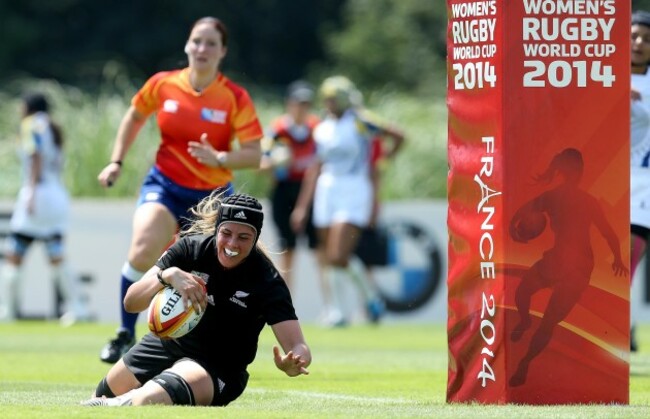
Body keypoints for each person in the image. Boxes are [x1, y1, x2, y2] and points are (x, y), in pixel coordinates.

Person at [96, 16, 264, 363]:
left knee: (216, 269)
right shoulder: (163, 84)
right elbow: (134, 116)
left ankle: (205, 345)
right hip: (165, 186)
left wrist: (219, 157)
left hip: (212, 198)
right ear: (187, 46)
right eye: (196, 41)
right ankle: (125, 333)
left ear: (223, 52)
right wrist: (116, 161)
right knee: (143, 249)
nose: (202, 49)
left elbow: (254, 154)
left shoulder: (234, 97)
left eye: (210, 43)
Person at [81, 193, 311, 407]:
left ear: (255, 239)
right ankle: (121, 399)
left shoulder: (267, 280)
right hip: (166, 345)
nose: (232, 244)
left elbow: (298, 346)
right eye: (226, 233)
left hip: (216, 368)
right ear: (217, 229)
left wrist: (295, 363)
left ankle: (128, 399)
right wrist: (166, 276)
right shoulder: (190, 250)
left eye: (243, 237)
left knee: (147, 400)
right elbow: (131, 302)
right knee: (97, 400)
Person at [291, 76, 405, 326]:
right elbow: (315, 167)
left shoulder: (361, 121)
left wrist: (382, 161)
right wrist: (302, 206)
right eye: (327, 98)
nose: (329, 103)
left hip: (354, 188)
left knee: (338, 254)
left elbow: (397, 135)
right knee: (326, 254)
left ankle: (372, 298)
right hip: (327, 189)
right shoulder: (321, 126)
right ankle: (338, 311)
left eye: (334, 98)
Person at [508, 148, 627, 387]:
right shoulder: (562, 198)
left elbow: (608, 233)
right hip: (567, 263)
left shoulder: (563, 198)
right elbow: (609, 234)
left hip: (575, 267)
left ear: (561, 171)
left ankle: (525, 361)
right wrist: (617, 258)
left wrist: (514, 230)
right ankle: (525, 331)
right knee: (540, 311)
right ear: (578, 172)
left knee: (539, 309)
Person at [0, 92, 89, 324]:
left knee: (14, 254)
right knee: (56, 255)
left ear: (28, 106)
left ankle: (8, 310)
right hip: (56, 195)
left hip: (37, 193)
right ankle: (78, 307)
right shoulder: (52, 127)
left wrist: (30, 192)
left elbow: (35, 155)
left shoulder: (31, 124)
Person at [260, 80, 322, 293]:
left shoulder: (317, 128)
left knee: (319, 249)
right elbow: (262, 162)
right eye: (298, 103)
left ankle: (331, 306)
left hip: (311, 191)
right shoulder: (278, 130)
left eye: (306, 104)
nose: (302, 108)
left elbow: (321, 163)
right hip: (284, 191)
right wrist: (276, 163)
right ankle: (286, 305)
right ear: (289, 104)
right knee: (287, 250)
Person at [630, 10, 650, 353]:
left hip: (644, 187)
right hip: (604, 181)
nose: (638, 43)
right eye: (633, 35)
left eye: (646, 39)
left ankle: (623, 329)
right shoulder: (602, 76)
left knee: (627, 258)